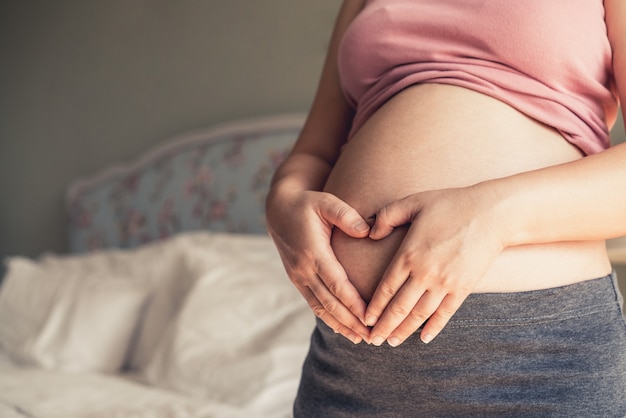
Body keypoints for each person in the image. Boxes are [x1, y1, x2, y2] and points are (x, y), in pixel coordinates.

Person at [265, 0, 626, 415]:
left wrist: (491, 217)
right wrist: (284, 202)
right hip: (351, 370)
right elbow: (312, 153)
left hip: (539, 363)